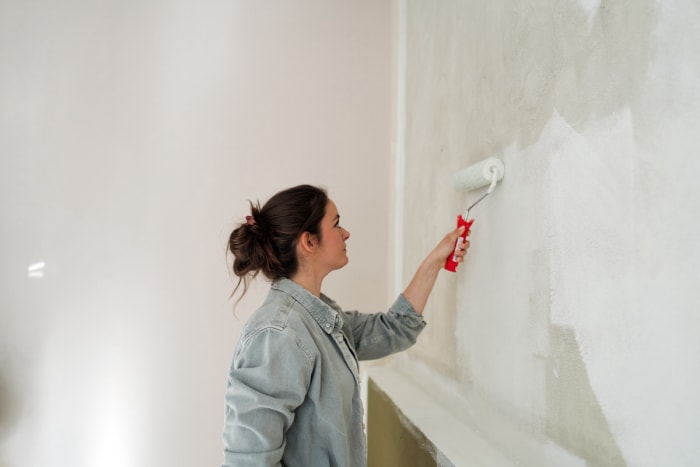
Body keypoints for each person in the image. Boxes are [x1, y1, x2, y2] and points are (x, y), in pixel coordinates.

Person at [221, 184, 468, 467]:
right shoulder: (280, 333)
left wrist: (435, 261)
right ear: (309, 242)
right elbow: (248, 461)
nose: (346, 233)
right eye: (336, 224)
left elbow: (394, 330)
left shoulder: (319, 318)